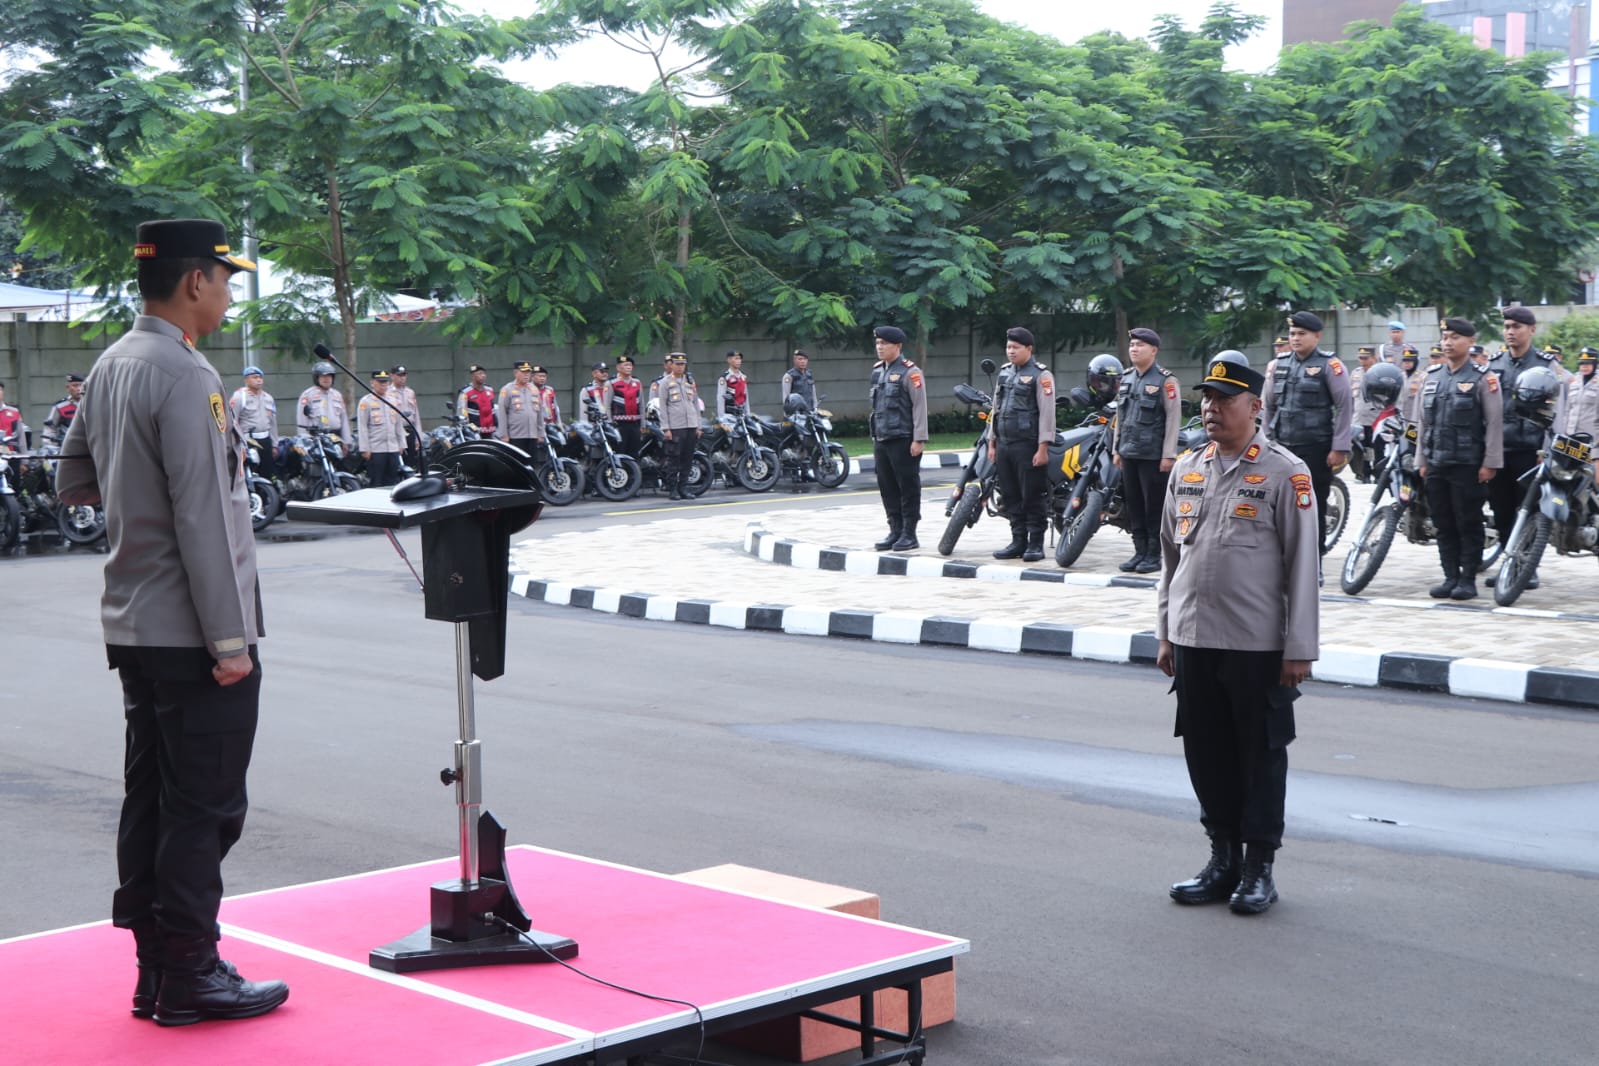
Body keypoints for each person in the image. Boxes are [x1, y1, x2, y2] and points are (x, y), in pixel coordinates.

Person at [54, 218, 288, 1025]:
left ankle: (158, 970)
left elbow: (74, 478)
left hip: (133, 621)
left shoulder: (115, 360)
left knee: (151, 798)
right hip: (193, 632)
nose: (227, 294)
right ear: (194, 282)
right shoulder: (188, 376)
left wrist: (132, 510)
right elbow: (204, 517)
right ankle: (190, 973)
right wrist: (230, 643)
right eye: (224, 280)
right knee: (205, 807)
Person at [1156, 351, 1319, 917]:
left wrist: (1299, 647)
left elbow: (1303, 568)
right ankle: (1221, 859)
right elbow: (1169, 558)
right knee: (1206, 754)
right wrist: (1166, 633)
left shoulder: (1285, 473)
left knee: (1260, 757)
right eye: (1207, 399)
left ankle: (1258, 869)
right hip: (1194, 640)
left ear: (1255, 406)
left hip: (1257, 646)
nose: (1211, 408)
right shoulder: (1188, 468)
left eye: (1224, 400)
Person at [1418, 318, 1503, 601]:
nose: (1448, 342)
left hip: (1468, 463)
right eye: (1445, 336)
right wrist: (1422, 460)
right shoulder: (1431, 377)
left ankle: (1468, 579)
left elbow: (1493, 423)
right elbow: (1423, 424)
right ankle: (1450, 576)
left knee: (1468, 521)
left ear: (1469, 341)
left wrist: (1490, 463)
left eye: (1455, 337)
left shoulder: (1483, 378)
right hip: (1437, 462)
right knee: (1443, 522)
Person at [1261, 310, 1353, 554]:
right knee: (1277, 503)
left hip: (1316, 448)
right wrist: (1264, 441)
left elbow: (1344, 407)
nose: (1295, 338)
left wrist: (1339, 447)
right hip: (1281, 448)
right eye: (1292, 333)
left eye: (1302, 333)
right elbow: (1267, 406)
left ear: (1317, 336)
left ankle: (1313, 562)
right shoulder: (1277, 365)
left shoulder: (1330, 366)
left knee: (1312, 504)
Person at [1485, 307, 1563, 589]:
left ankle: (1527, 567)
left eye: (1517, 326)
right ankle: (1509, 562)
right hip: (1499, 449)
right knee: (1501, 509)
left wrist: (1549, 449)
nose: (1510, 331)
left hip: (1532, 450)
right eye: (1506, 326)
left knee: (1528, 511)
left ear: (1531, 329)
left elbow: (1558, 411)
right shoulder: (1494, 364)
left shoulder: (1546, 365)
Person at [1113, 327, 1182, 573]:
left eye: (1140, 345)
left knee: (1154, 506)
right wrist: (1116, 448)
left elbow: (1174, 419)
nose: (1134, 349)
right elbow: (1120, 416)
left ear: (1153, 350)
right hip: (1129, 452)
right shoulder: (1127, 377)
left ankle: (1154, 554)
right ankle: (1139, 550)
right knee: (1134, 505)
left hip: (1153, 455)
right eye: (1132, 344)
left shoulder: (1166, 380)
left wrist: (1168, 454)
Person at [986, 327, 1057, 562]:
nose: (1010, 351)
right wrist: (992, 442)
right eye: (1008, 347)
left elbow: (1047, 414)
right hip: (1005, 444)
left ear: (1029, 349)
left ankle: (1035, 542)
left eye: (1015, 347)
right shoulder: (1005, 373)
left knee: (1032, 496)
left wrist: (1043, 446)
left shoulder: (1041, 375)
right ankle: (1018, 541)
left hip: (1028, 446)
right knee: (1010, 495)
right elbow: (996, 409)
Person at [868, 326, 929, 551]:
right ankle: (895, 530)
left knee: (907, 487)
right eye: (877, 343)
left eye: (884, 343)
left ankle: (909, 533)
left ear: (898, 346)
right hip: (882, 438)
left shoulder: (910, 372)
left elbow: (920, 406)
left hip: (904, 438)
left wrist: (919, 438)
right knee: (887, 487)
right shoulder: (877, 371)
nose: (880, 347)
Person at [657, 353, 701, 500]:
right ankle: (673, 489)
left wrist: (698, 426)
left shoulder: (689, 381)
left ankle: (684, 487)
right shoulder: (665, 382)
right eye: (677, 364)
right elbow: (662, 406)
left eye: (683, 364)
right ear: (672, 365)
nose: (680, 367)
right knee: (674, 459)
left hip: (691, 425)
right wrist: (666, 428)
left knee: (687, 459)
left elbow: (695, 404)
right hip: (675, 426)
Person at [356, 369, 405, 487]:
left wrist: (401, 444)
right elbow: (362, 426)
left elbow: (398, 424)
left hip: (392, 449)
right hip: (375, 450)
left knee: (392, 482)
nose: (383, 385)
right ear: (372, 383)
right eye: (380, 382)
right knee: (376, 483)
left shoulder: (393, 401)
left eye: (385, 382)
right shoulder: (366, 401)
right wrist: (365, 448)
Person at [228, 366, 277, 479]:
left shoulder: (268, 398)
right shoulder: (240, 397)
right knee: (250, 472)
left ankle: (267, 495)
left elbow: (273, 423)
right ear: (246, 380)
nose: (259, 380)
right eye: (254, 377)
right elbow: (232, 421)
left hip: (265, 440)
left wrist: (275, 444)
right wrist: (235, 443)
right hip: (248, 440)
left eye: (260, 377)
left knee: (267, 472)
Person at [1349, 345, 1386, 482]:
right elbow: (1350, 396)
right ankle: (1363, 474)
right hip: (1358, 418)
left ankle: (1378, 475)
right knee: (1360, 448)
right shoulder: (1356, 373)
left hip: (1376, 418)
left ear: (1373, 357)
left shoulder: (1380, 373)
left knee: (1377, 448)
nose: (1362, 361)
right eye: (1360, 358)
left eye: (1366, 358)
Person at [1562, 347, 1599, 480]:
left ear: (1595, 364)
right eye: (1582, 363)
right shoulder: (1575, 381)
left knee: (1592, 480)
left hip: (1592, 442)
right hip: (1572, 439)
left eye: (1588, 363)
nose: (1584, 367)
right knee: (1571, 479)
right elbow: (1567, 411)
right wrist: (1564, 434)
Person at [496, 360, 544, 454]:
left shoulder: (534, 389)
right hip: (515, 436)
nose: (526, 375)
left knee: (532, 465)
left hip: (532, 435)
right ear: (515, 373)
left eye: (528, 372)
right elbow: (502, 413)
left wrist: (540, 433)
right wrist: (504, 435)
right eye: (523, 372)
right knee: (517, 464)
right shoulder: (507, 389)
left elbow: (540, 413)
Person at [296, 360, 350, 440]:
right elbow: (302, 421)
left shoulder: (337, 395)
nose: (326, 379)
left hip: (337, 437)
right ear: (316, 378)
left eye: (329, 376)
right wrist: (305, 441)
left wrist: (347, 441)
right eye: (323, 376)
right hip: (316, 438)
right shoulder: (308, 395)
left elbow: (344, 420)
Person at [609, 355, 645, 456]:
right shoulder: (612, 383)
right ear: (618, 367)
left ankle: (633, 471)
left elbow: (641, 404)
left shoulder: (637, 382)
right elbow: (607, 406)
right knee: (621, 451)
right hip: (619, 424)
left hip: (635, 424)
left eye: (630, 365)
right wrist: (610, 424)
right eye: (625, 365)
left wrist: (643, 424)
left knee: (634, 452)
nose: (629, 367)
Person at [387, 365, 421, 465]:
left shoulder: (410, 392)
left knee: (411, 462)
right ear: (392, 376)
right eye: (399, 375)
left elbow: (416, 416)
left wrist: (418, 436)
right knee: (396, 462)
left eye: (404, 375)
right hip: (395, 431)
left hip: (410, 430)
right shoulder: (387, 392)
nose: (402, 378)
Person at [42, 372, 85, 446]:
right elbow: (50, 429)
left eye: (81, 385)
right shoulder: (60, 406)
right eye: (75, 385)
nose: (79, 389)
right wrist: (51, 446)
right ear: (68, 387)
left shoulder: (93, 404)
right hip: (68, 447)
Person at [457, 363, 496, 437]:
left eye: (484, 373)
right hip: (475, 432)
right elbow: (462, 413)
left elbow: (493, 410)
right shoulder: (465, 392)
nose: (483, 376)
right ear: (472, 376)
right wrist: (472, 430)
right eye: (480, 373)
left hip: (491, 431)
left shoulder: (490, 390)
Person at [717, 349, 749, 419]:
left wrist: (748, 414)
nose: (739, 361)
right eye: (736, 358)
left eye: (740, 359)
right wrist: (721, 417)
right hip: (730, 415)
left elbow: (746, 397)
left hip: (742, 413)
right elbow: (721, 399)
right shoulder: (725, 378)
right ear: (729, 360)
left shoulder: (743, 376)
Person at [0, 380, 30, 450]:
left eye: (0, 389)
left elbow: (21, 439)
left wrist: (24, 459)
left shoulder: (14, 412)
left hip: (11, 456)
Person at [1398, 347, 1424, 424]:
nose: (1406, 363)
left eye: (1409, 361)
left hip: (1415, 417)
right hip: (1400, 416)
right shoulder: (1399, 376)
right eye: (1405, 361)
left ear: (1415, 362)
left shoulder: (1422, 377)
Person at [532, 365, 562, 430]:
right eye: (540, 376)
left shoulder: (550, 390)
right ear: (533, 377)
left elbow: (556, 408)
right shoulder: (528, 390)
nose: (542, 378)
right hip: (536, 427)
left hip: (551, 424)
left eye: (544, 376)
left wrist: (559, 423)